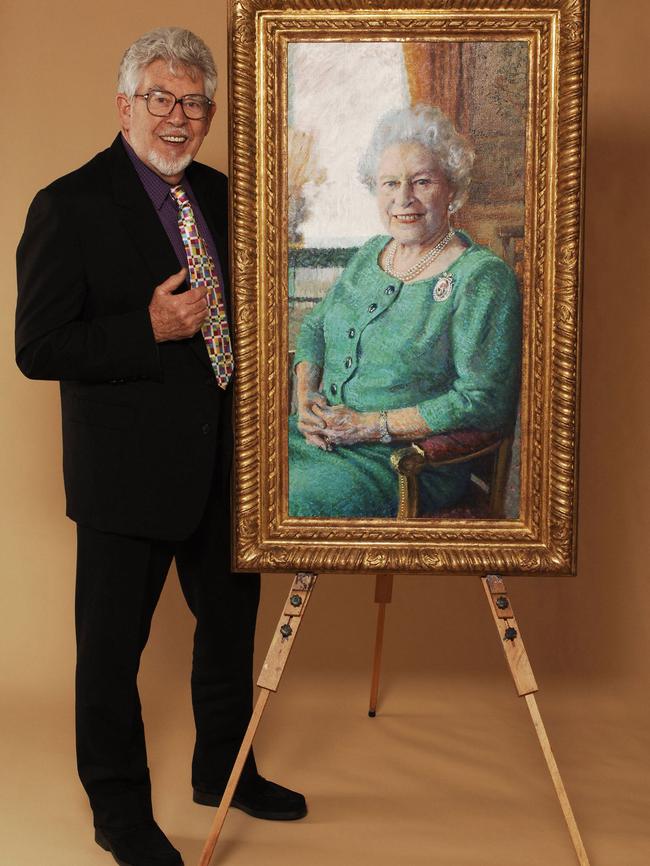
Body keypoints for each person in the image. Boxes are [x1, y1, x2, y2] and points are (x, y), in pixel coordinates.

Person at [15, 27, 305, 866]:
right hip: (125, 479)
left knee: (227, 632)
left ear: (210, 114)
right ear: (124, 106)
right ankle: (119, 813)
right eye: (160, 99)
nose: (177, 118)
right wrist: (144, 327)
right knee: (110, 656)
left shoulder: (224, 194)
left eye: (193, 102)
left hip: (226, 464)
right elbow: (38, 347)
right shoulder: (67, 205)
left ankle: (225, 770)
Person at [289, 104, 521, 517]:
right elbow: (315, 327)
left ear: (452, 189)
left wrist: (370, 426)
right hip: (317, 442)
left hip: (405, 466)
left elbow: (483, 401)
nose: (403, 199)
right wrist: (305, 397)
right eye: (390, 183)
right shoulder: (370, 255)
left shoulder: (481, 277)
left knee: (278, 503)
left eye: (422, 182)